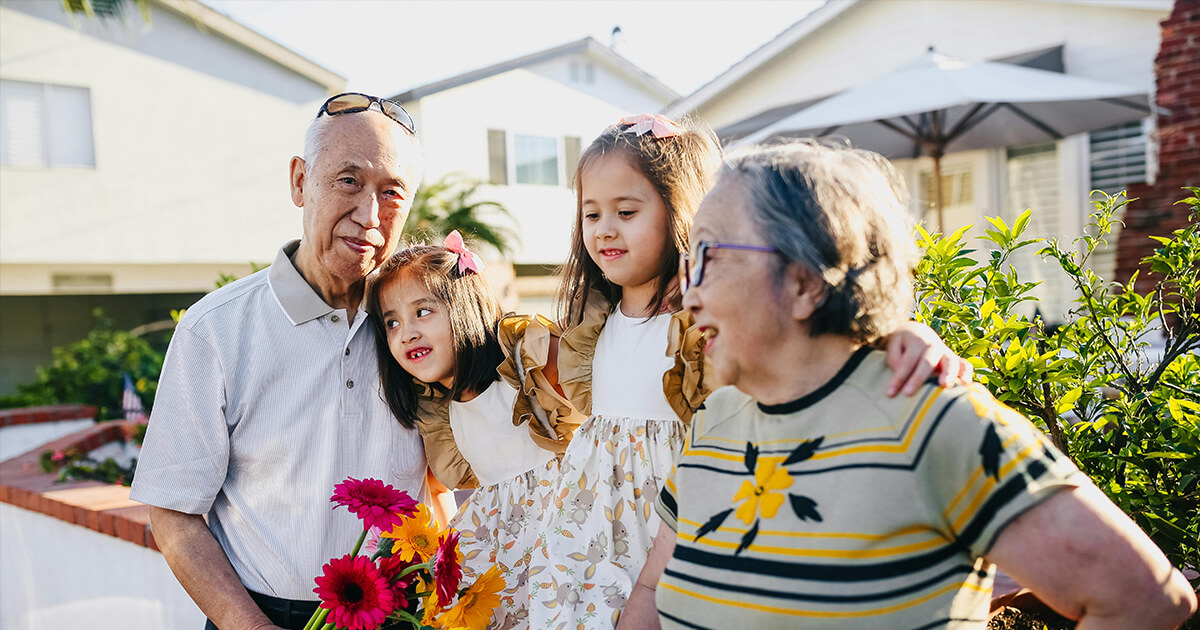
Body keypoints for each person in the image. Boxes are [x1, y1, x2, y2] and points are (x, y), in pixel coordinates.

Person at [620, 141, 1199, 629]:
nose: (686, 293)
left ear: (804, 281)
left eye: (708, 257)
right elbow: (650, 594)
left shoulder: (933, 419)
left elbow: (1142, 600)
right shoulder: (713, 424)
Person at [528, 115, 973, 629]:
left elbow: (809, 339)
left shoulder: (706, 318)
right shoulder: (590, 324)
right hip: (590, 524)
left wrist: (904, 334)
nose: (604, 228)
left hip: (675, 506)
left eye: (626, 211)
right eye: (590, 214)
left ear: (682, 212)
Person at [131, 93, 443, 630]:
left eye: (392, 192)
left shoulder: (428, 328)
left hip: (403, 616)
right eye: (348, 180)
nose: (369, 215)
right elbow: (173, 513)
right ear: (299, 181)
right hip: (258, 617)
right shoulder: (216, 329)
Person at [363, 234, 585, 628]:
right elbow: (437, 487)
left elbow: (597, 415)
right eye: (392, 322)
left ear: (464, 306)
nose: (406, 332)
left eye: (423, 312)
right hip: (502, 562)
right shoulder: (439, 410)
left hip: (569, 540)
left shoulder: (524, 364)